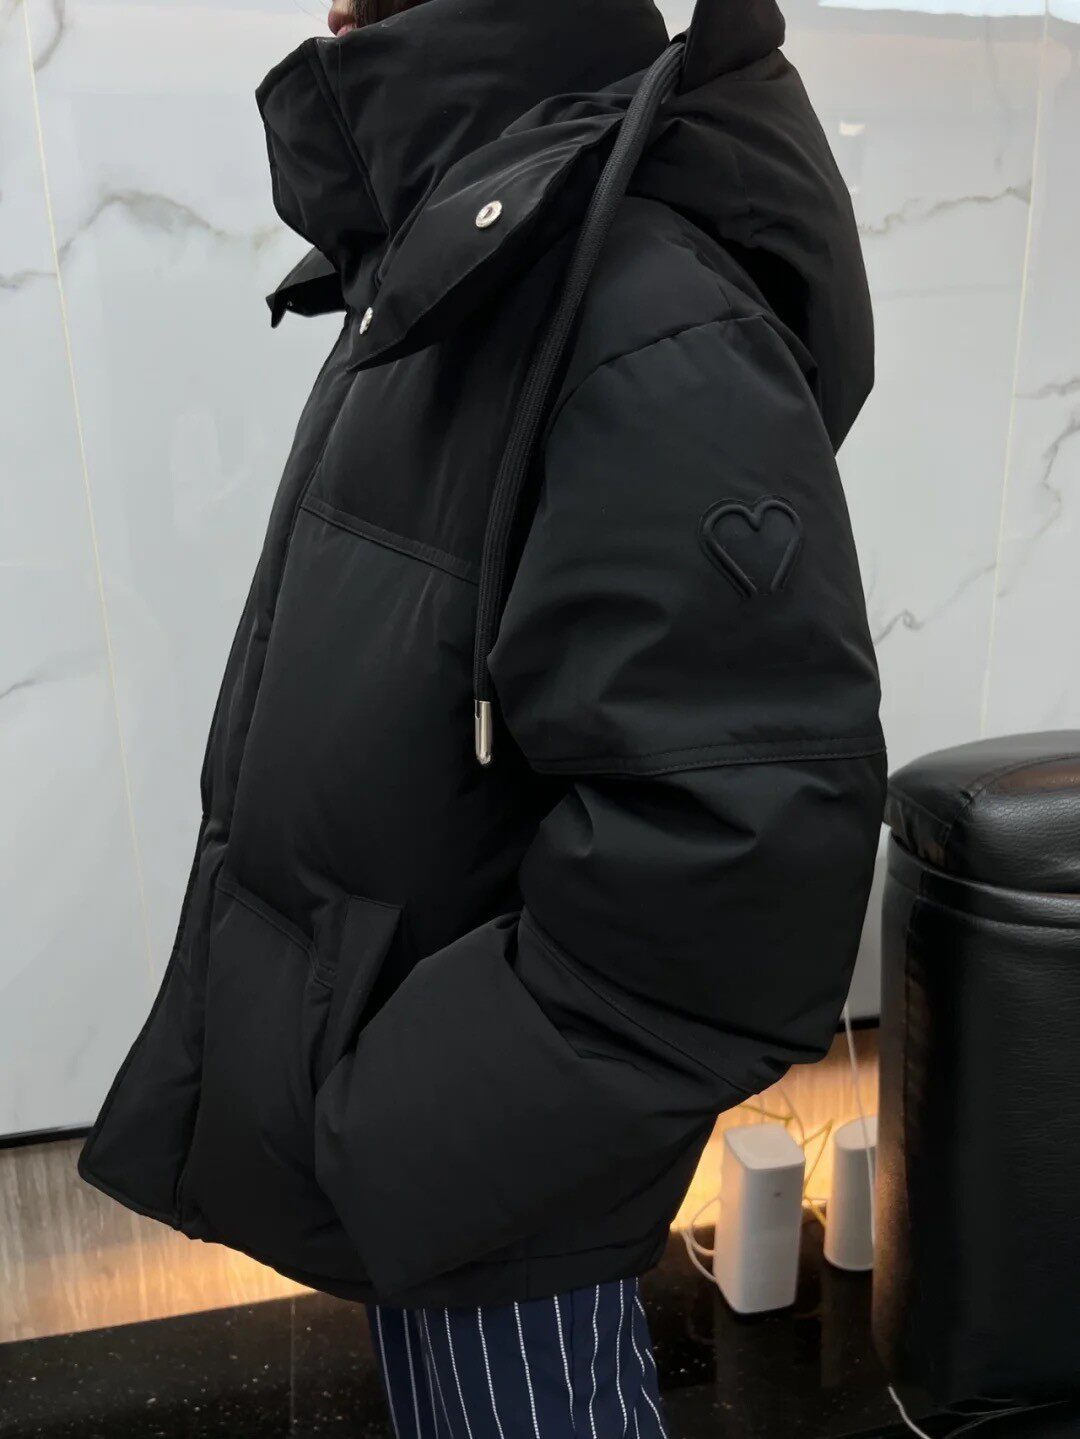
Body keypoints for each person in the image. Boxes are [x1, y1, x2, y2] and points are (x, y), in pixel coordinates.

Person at [78, 0, 885, 1432]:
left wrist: (405, 1128)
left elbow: (737, 859)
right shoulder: (477, 254)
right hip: (443, 1137)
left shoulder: (634, 303)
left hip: (487, 1162)